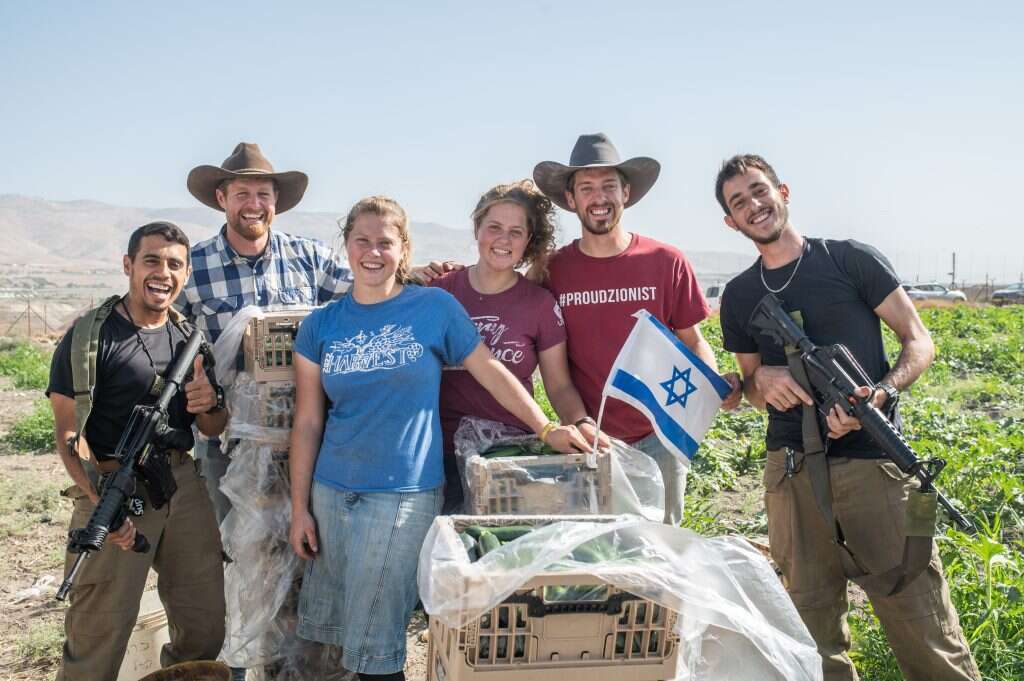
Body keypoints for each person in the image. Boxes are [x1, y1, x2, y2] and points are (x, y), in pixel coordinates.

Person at [287, 196, 590, 680]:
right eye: (362, 240)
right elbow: (307, 423)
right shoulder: (320, 324)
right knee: (344, 638)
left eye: (385, 242)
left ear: (403, 249)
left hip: (403, 495)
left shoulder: (433, 308)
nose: (372, 252)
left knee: (377, 648)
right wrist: (300, 507)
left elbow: (491, 371)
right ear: (346, 245)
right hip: (331, 493)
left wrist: (547, 428)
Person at [715, 154, 980, 681]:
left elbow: (918, 341)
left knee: (920, 616)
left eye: (760, 190)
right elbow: (749, 387)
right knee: (810, 629)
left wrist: (880, 393)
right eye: (738, 201)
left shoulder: (849, 260)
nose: (754, 205)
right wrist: (763, 380)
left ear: (783, 191)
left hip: (872, 464)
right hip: (792, 473)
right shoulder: (741, 295)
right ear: (730, 221)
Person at [47, 222, 228, 681]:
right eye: (152, 260)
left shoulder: (189, 337)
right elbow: (68, 435)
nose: (163, 272)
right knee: (98, 634)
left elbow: (212, 426)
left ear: (185, 275)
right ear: (128, 265)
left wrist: (210, 404)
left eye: (174, 264)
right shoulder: (89, 338)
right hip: (112, 481)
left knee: (204, 621)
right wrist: (101, 503)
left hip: (180, 483)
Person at [531, 133, 742, 524]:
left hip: (660, 436)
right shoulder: (552, 272)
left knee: (661, 547)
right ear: (571, 199)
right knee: (597, 548)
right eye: (587, 187)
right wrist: (581, 425)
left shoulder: (665, 262)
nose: (599, 197)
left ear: (625, 193)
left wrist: (711, 386)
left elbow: (693, 341)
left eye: (609, 186)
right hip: (590, 438)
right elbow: (555, 376)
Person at [175, 142, 353, 523]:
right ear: (222, 198)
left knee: (304, 538)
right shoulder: (192, 268)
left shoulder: (311, 259)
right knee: (226, 541)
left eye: (263, 195)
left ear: (275, 202)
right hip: (225, 440)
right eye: (242, 194)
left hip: (303, 435)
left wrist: (418, 276)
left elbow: (368, 292)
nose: (253, 204)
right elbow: (160, 329)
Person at [427, 179, 606, 511]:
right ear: (477, 229)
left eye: (516, 232)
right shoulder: (439, 291)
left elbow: (559, 385)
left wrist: (581, 423)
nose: (503, 240)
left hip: (507, 458)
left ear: (528, 241)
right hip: (436, 456)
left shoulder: (540, 305)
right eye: (494, 227)